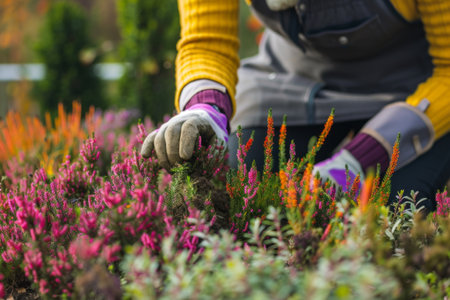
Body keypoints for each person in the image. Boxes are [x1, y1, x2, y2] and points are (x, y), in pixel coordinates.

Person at [141, 0, 450, 211]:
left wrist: (361, 158)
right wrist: (205, 107)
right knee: (237, 193)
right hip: (292, 80)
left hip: (416, 89)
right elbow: (207, 42)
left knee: (394, 208)